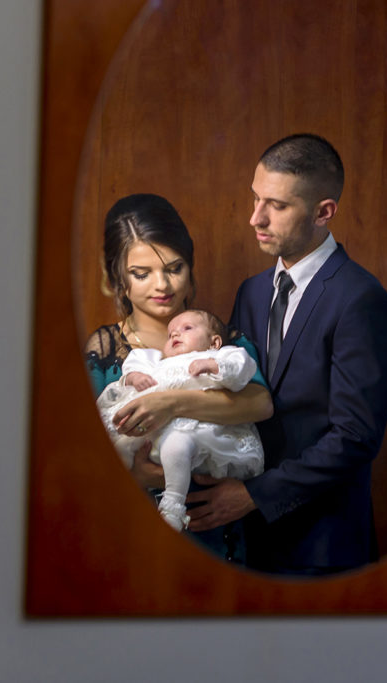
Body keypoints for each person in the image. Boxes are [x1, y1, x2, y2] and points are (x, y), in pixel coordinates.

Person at [186, 134, 387, 575]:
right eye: (255, 198)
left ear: (324, 212)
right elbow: (236, 396)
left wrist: (254, 496)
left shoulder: (361, 299)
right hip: (245, 542)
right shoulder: (251, 292)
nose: (256, 218)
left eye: (277, 206)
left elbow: (355, 436)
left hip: (322, 547)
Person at [83, 193, 273, 563]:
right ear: (119, 278)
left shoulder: (222, 342)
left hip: (216, 532)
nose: (162, 285)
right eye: (142, 274)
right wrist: (145, 477)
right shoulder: (106, 349)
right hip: (133, 532)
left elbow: (259, 403)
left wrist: (169, 402)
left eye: (174, 268)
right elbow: (88, 456)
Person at [96, 309, 265, 531]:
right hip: (151, 432)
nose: (175, 334)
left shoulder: (220, 355)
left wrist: (214, 365)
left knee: (177, 444)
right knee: (118, 447)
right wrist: (135, 377)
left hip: (196, 430)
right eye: (171, 334)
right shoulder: (157, 362)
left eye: (187, 329)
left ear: (214, 342)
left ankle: (172, 507)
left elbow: (242, 369)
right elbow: (131, 370)